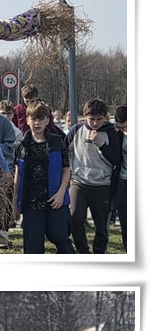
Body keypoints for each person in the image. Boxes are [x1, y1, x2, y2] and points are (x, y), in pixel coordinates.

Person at [14, 101, 76, 254]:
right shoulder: (21, 146)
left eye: (41, 119)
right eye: (33, 119)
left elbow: (66, 170)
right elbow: (18, 176)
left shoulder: (57, 142)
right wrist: (14, 202)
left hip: (55, 201)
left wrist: (61, 193)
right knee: (33, 247)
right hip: (31, 204)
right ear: (27, 120)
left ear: (48, 121)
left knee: (61, 239)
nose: (37, 123)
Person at [64, 98, 121, 254]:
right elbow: (65, 153)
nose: (95, 123)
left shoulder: (112, 133)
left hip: (102, 185)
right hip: (79, 183)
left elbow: (115, 159)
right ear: (85, 116)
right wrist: (68, 177)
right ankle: (83, 252)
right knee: (75, 219)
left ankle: (99, 252)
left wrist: (101, 144)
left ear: (105, 117)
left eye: (99, 119)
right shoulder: (76, 130)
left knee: (102, 225)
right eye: (91, 119)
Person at [112, 105, 128, 251]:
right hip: (123, 181)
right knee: (126, 223)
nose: (123, 131)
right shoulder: (119, 135)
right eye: (120, 127)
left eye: (126, 127)